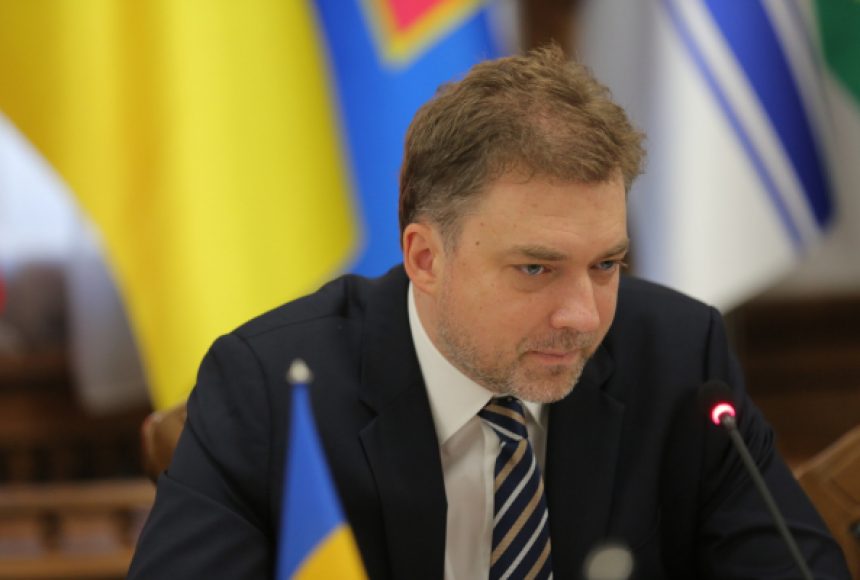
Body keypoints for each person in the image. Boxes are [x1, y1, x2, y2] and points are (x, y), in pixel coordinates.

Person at [128, 45, 849, 579]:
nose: (582, 316)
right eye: (535, 269)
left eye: (606, 265)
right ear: (425, 259)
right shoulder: (271, 390)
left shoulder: (680, 361)